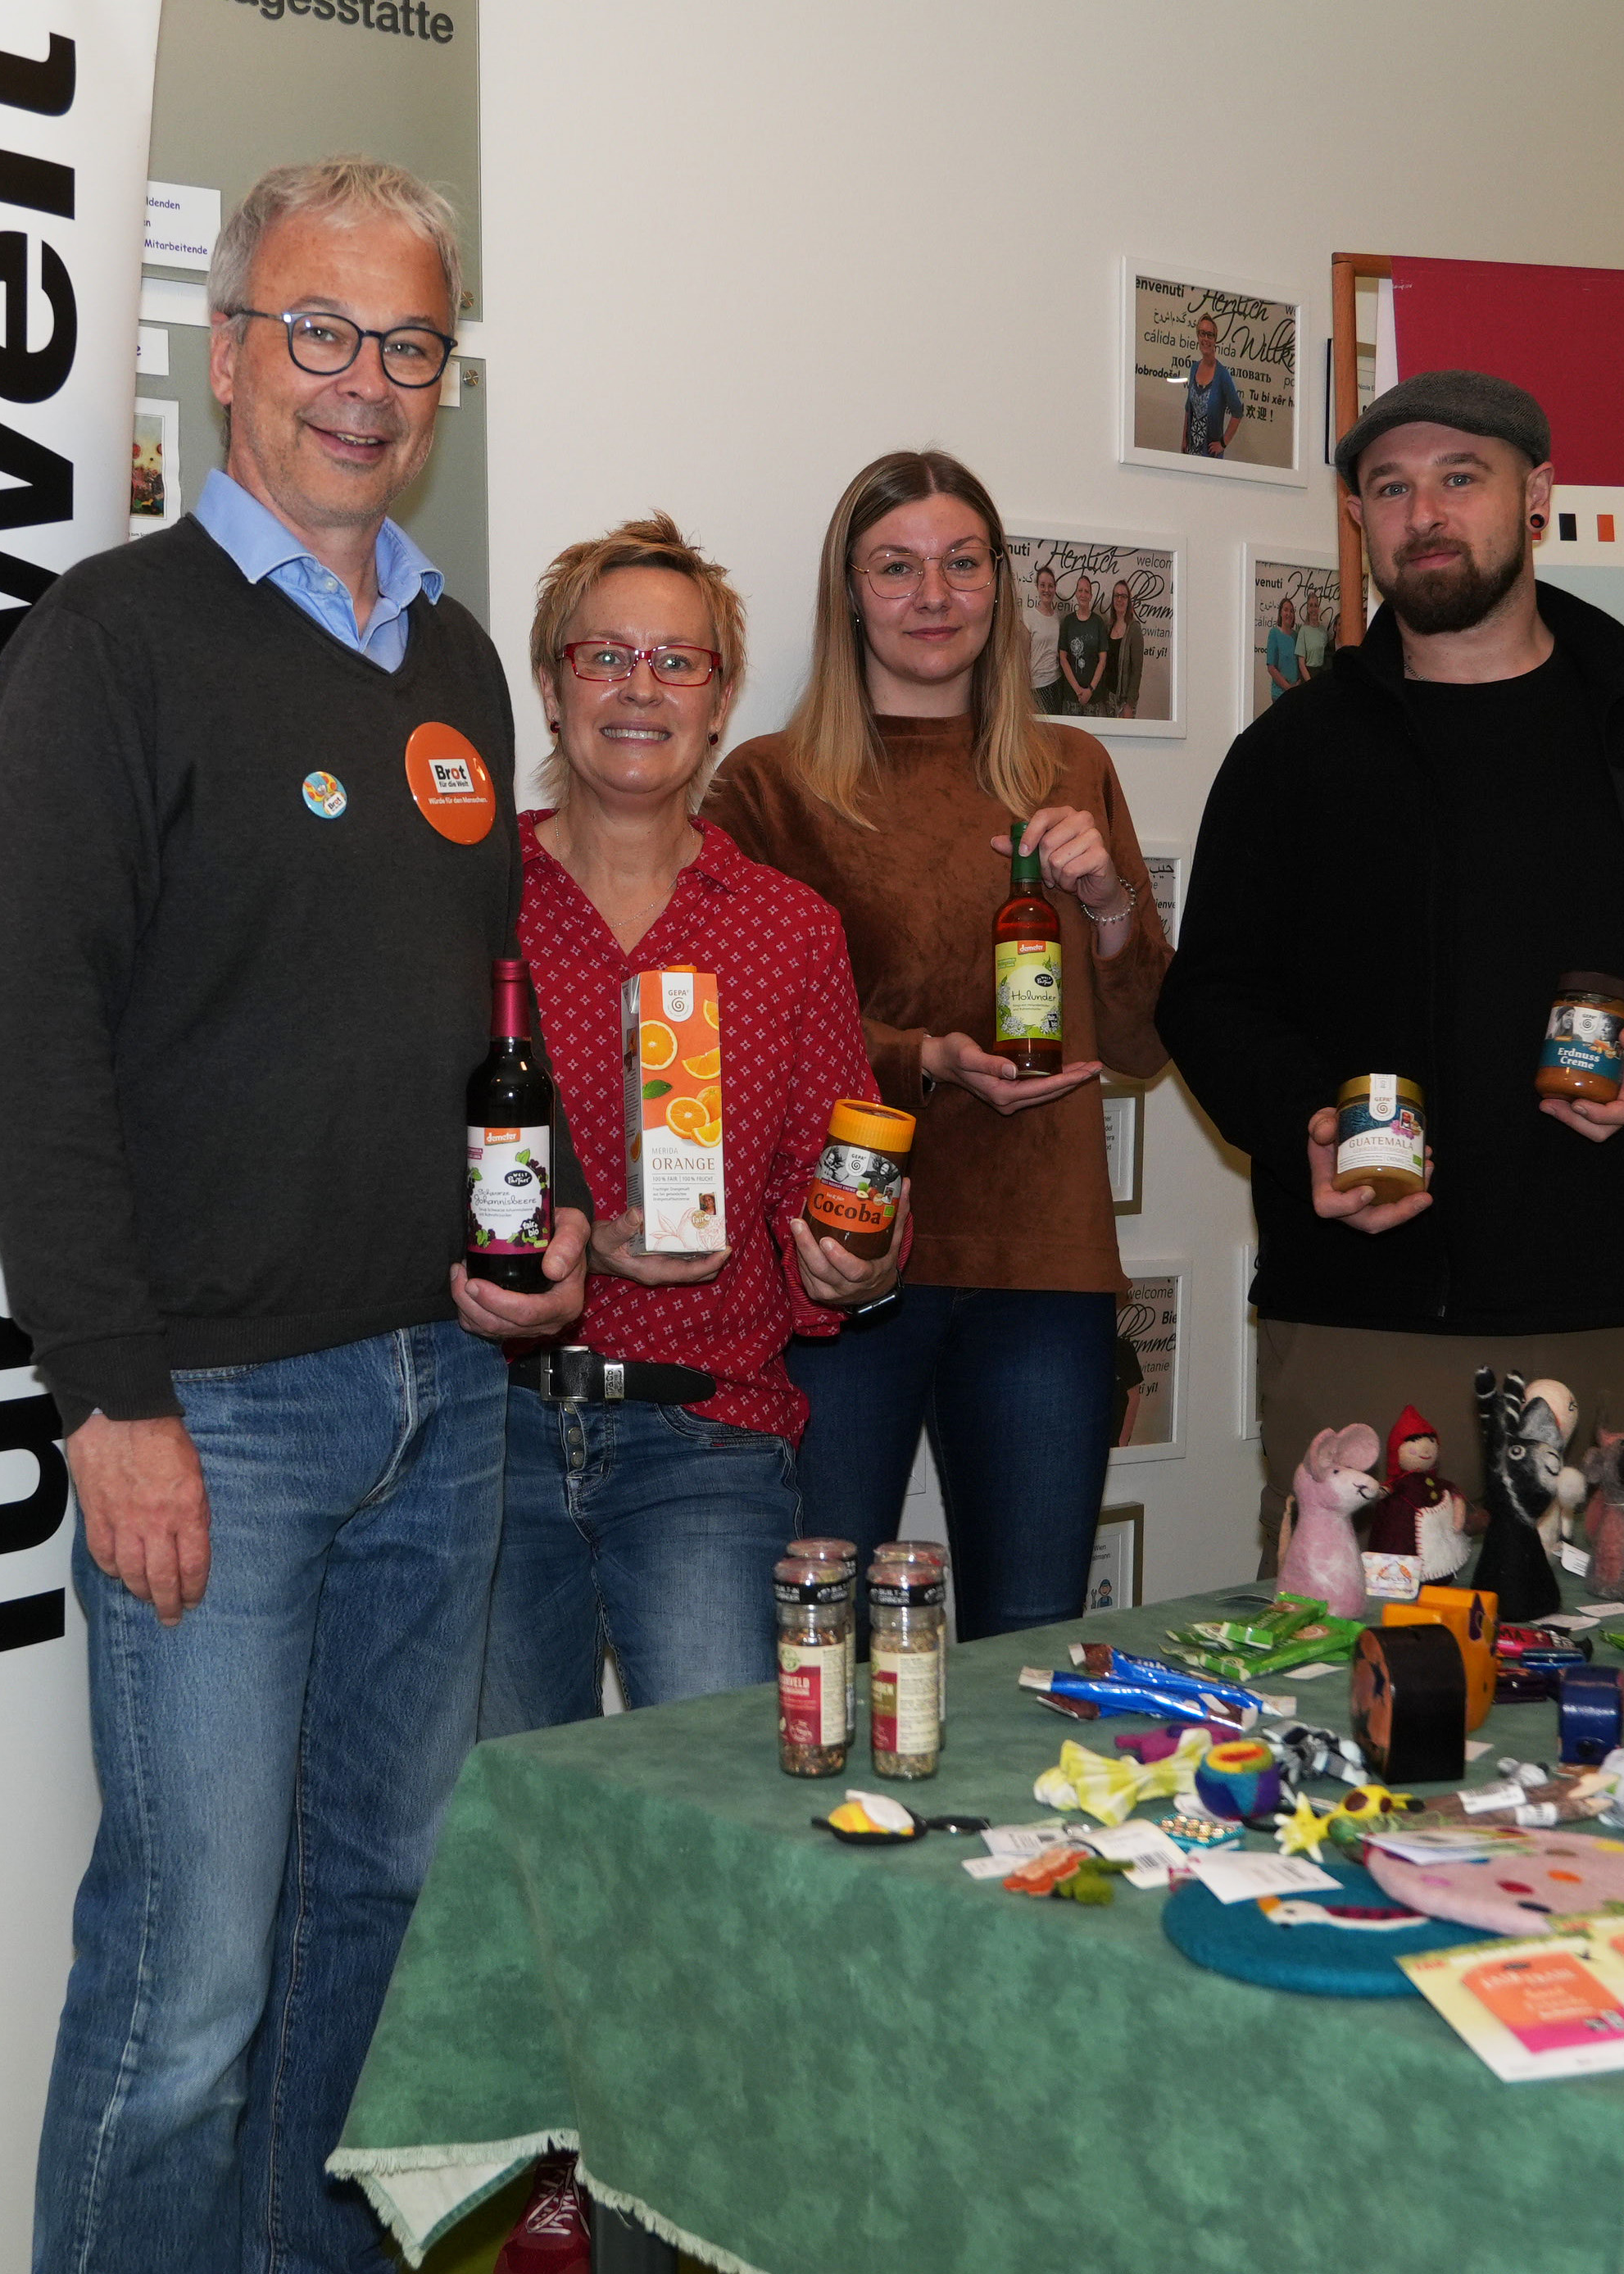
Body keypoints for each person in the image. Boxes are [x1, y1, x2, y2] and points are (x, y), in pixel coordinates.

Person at [0, 158, 593, 2274]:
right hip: (215, 1414)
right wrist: (108, 1395)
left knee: (378, 1930)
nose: (362, 382)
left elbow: (480, 1012)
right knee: (188, 1991)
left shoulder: (458, 658)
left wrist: (551, 1215)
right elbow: (28, 1040)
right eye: (318, 330)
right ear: (225, 350)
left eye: (408, 343)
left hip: (446, 1393)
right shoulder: (111, 641)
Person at [1156, 369, 1624, 1572]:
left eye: (1459, 477)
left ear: (1537, 497)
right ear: (1358, 519)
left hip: (1611, 1316)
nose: (1424, 513)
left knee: (1621, 1652)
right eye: (1390, 488)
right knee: (1358, 1659)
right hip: (1364, 1318)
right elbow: (1209, 994)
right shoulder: (1293, 755)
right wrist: (1305, 1121)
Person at [701, 450, 1171, 1639]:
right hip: (841, 1260)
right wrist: (925, 1060)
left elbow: (1142, 1042)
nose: (933, 595)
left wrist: (1108, 899)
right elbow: (735, 1035)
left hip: (1041, 1264)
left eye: (963, 563)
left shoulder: (1070, 768)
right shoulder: (770, 785)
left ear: (1000, 585)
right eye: (896, 567)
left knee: (1034, 1634)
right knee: (819, 1638)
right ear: (848, 592)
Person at [484, 511, 902, 1734]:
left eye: (677, 661)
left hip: (709, 1439)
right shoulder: (468, 900)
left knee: (722, 1797)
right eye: (605, 655)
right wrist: (573, 1240)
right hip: (485, 1437)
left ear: (718, 704)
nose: (640, 688)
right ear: (551, 688)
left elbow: (831, 1191)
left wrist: (861, 1254)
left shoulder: (789, 927)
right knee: (512, 1811)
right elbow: (391, 1153)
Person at [1180, 311, 1244, 457]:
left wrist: (1222, 443)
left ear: (1215, 339)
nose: (1205, 339)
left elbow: (1237, 412)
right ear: (1197, 336)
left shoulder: (1222, 375)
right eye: (1202, 333)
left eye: (1210, 335)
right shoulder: (1194, 368)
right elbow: (1188, 408)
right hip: (1190, 452)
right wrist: (1184, 439)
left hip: (1210, 456)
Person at [1056, 571, 1110, 719]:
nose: (1083, 594)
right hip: (1071, 695)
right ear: (1075, 594)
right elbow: (1063, 658)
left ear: (1091, 596)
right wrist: (1078, 689)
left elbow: (1103, 660)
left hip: (1093, 696)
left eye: (1087, 591)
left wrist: (1090, 690)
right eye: (1080, 590)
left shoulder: (1098, 622)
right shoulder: (1068, 622)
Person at [1027, 560, 1073, 713]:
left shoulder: (1058, 618)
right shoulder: (1028, 617)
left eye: (1050, 586)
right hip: (1036, 686)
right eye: (1043, 585)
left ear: (1055, 588)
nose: (1046, 590)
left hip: (1056, 682)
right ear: (1037, 587)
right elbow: (1022, 657)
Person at [1101, 576, 1145, 719]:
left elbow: (1137, 671)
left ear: (1128, 601)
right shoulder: (1109, 627)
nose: (1119, 599)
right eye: (1117, 595)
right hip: (1108, 697)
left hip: (1125, 701)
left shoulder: (1134, 629)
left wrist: (1129, 705)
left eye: (1123, 596)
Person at [1263, 594, 1302, 703]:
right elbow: (1271, 668)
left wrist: (1297, 685)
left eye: (1291, 611)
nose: (1289, 614)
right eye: (1286, 610)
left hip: (1295, 694)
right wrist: (1288, 688)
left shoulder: (1296, 636)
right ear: (1280, 613)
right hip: (1279, 695)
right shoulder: (1274, 633)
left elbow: (1300, 664)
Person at [1295, 584, 1334, 681]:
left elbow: (1326, 658)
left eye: (1316, 605)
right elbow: (1301, 664)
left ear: (1318, 608)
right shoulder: (1303, 631)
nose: (1313, 608)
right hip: (1308, 676)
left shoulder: (1323, 631)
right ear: (1307, 608)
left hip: (1321, 676)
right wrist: (1311, 683)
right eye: (1311, 605)